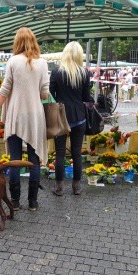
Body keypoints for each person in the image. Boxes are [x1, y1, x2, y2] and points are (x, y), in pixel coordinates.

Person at [0, 27, 49, 211]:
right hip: (35, 117)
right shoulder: (43, 63)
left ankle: (15, 201)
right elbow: (44, 94)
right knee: (33, 160)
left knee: (15, 159)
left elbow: (4, 91)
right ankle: (33, 202)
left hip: (15, 115)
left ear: (17, 42)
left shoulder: (12, 61)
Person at [49, 41, 94, 197]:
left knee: (60, 153)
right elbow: (86, 97)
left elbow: (50, 96)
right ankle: (77, 187)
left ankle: (59, 187)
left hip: (61, 117)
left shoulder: (56, 73)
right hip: (79, 117)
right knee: (76, 152)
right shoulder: (85, 73)